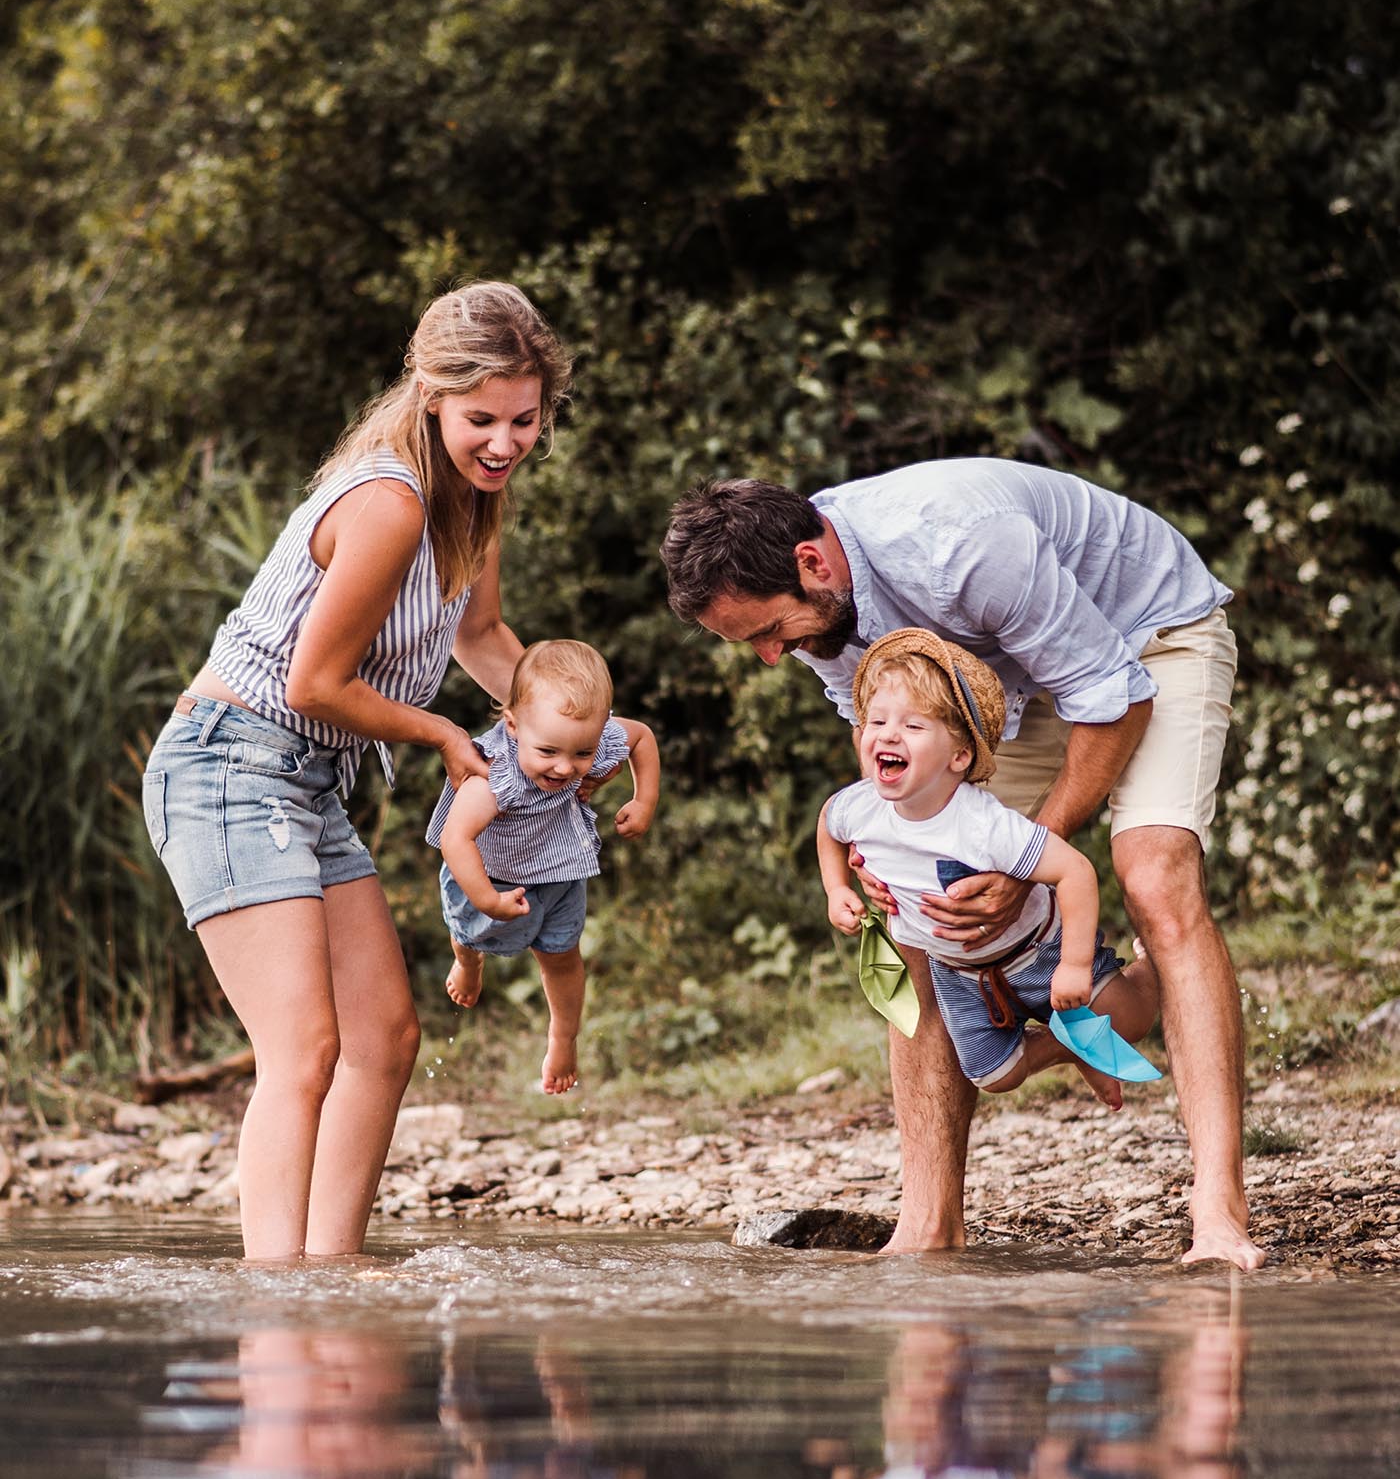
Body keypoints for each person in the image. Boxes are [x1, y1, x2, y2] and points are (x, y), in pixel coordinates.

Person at [661, 460, 1262, 1269]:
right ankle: (928, 1224)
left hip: (1144, 639)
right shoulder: (816, 606)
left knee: (1153, 876)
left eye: (770, 633)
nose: (771, 658)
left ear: (812, 562)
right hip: (1000, 689)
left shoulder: (958, 545)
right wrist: (880, 855)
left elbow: (1112, 698)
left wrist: (1027, 860)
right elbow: (872, 738)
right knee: (914, 900)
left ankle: (1218, 1215)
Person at [141, 280, 571, 1261]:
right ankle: (276, 1292)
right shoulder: (387, 504)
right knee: (304, 1050)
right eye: (481, 421)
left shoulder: (472, 504)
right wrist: (444, 740)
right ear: (429, 394)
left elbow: (485, 635)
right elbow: (315, 683)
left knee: (384, 1038)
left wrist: (572, 731)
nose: (504, 442)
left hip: (302, 782)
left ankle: (328, 1275)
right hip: (230, 763)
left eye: (524, 420)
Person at [817, 629, 1158, 1103]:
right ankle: (1074, 1047)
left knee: (1131, 1019)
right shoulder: (859, 806)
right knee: (993, 1076)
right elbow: (828, 825)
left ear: (959, 756)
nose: (888, 734)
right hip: (959, 973)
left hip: (1040, 950)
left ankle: (1154, 964)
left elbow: (1074, 871)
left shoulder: (982, 824)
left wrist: (1075, 965)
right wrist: (837, 888)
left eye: (913, 727)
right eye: (875, 721)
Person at [428, 639, 660, 1095]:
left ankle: (562, 1039)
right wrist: (486, 899)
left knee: (563, 958)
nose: (564, 768)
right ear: (513, 726)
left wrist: (643, 799)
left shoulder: (594, 738)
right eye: (549, 751)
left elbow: (641, 737)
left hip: (559, 875)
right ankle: (468, 963)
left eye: (581, 754)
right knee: (470, 934)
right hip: (489, 876)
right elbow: (456, 839)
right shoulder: (495, 775)